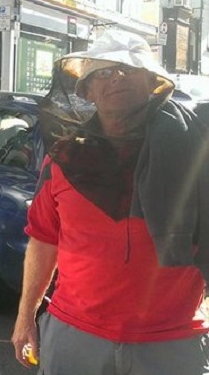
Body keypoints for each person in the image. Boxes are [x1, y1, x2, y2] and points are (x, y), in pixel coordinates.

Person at [11, 30, 209, 374]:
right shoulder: (63, 159)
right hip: (73, 337)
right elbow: (44, 238)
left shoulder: (195, 151)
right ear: (86, 90)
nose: (116, 76)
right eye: (103, 72)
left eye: (129, 69)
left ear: (151, 83)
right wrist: (26, 315)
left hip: (172, 341)